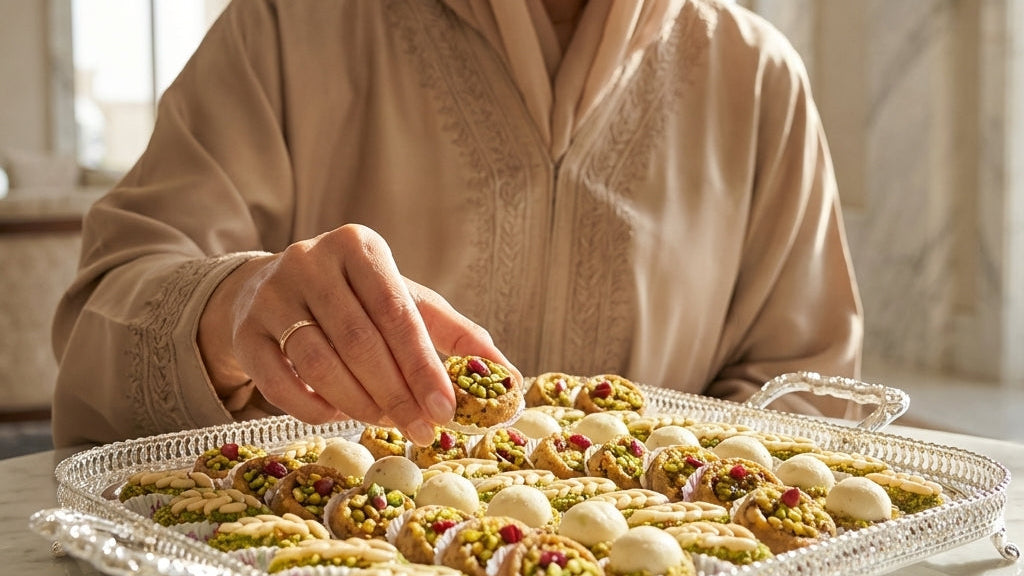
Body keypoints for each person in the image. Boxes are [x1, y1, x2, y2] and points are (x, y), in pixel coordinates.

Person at [51, 0, 863, 449]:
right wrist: (234, 305)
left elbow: (807, 384)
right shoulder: (285, 27)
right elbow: (104, 314)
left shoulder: (757, 81)